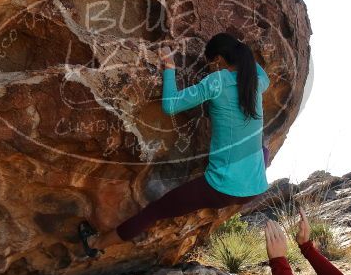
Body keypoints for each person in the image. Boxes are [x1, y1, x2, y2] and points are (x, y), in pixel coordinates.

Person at [79, 33, 272, 257]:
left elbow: (170, 106)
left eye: (213, 62)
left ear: (219, 60)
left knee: (155, 211)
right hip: (256, 186)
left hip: (223, 187)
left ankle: (95, 244)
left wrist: (169, 66)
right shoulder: (258, 82)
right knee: (261, 146)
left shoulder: (217, 81)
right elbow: (255, 67)